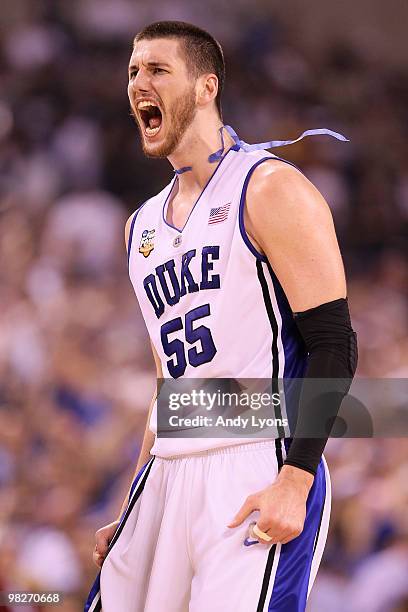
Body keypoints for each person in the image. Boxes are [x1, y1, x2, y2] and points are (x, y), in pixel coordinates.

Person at [85, 20, 357, 612]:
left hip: (257, 458)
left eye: (157, 70)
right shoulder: (140, 228)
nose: (138, 84)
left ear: (207, 87)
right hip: (169, 468)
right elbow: (170, 389)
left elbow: (335, 344)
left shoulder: (268, 188)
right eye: (133, 72)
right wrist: (135, 498)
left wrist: (297, 479)